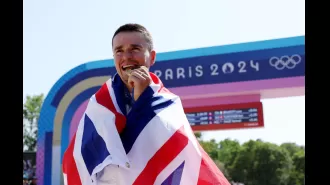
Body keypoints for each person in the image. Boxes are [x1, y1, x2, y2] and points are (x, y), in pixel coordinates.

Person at [62, 23, 230, 185]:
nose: (126, 56)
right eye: (119, 51)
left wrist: (143, 99)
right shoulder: (98, 104)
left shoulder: (169, 104)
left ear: (152, 56)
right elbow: (78, 159)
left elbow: (185, 157)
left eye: (135, 49)